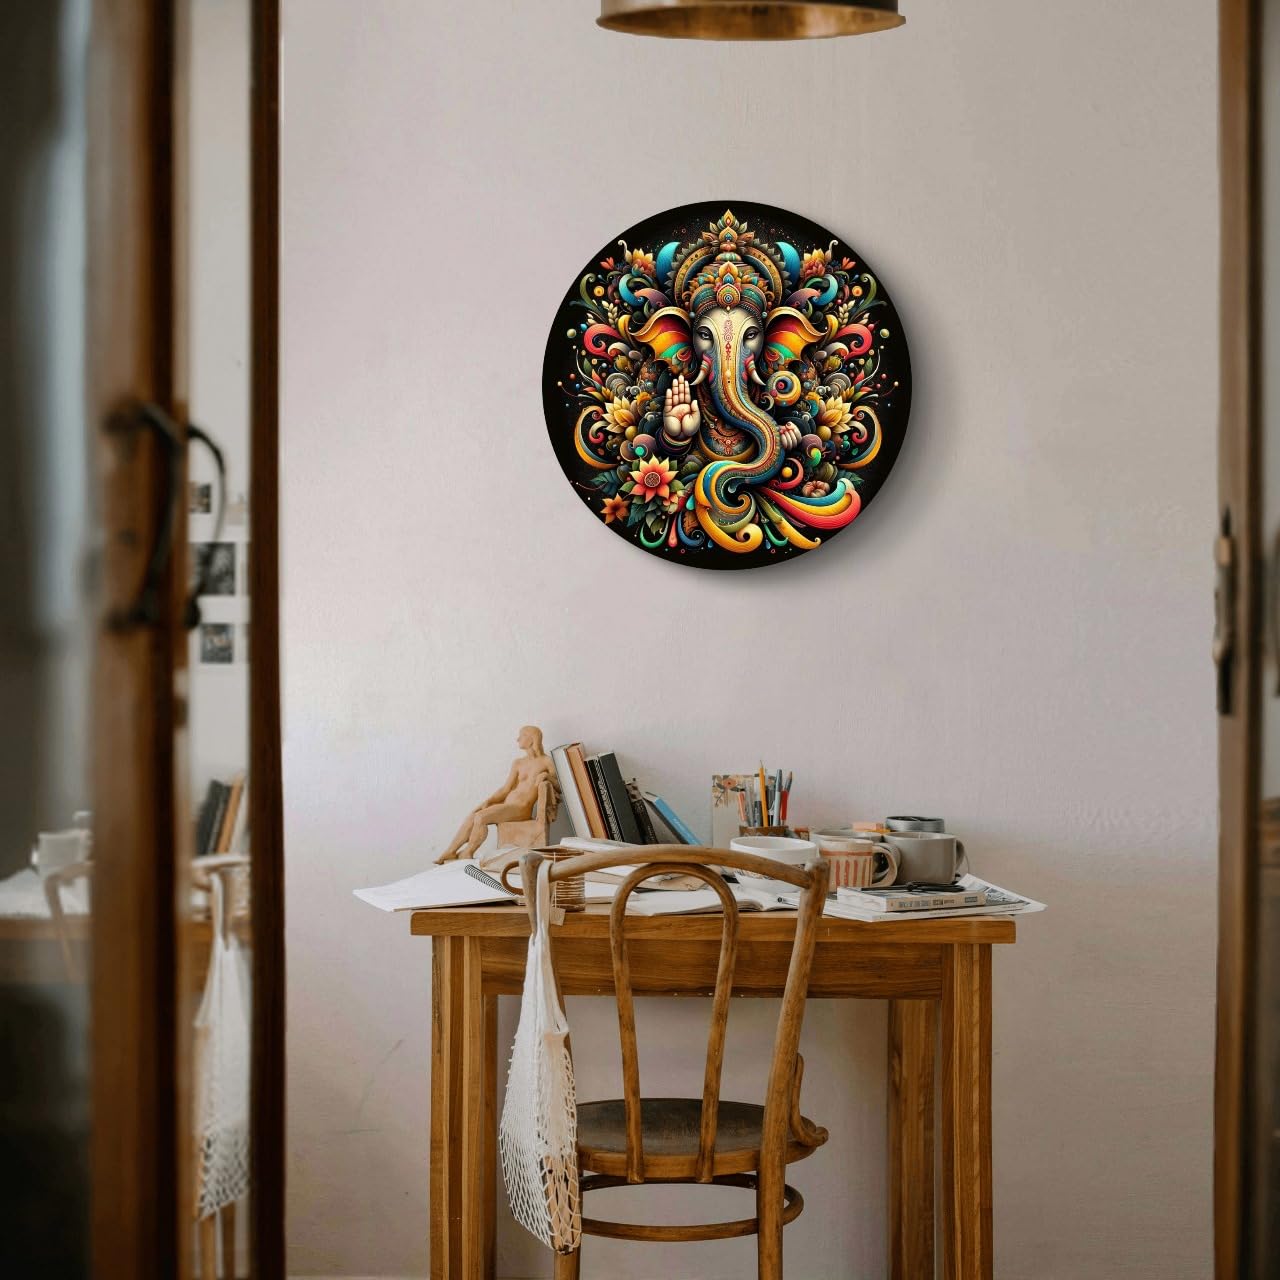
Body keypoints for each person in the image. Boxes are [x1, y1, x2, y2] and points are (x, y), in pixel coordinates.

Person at [436, 725, 556, 861]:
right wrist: (490, 800)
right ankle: (451, 851)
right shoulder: (518, 763)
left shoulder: (546, 761)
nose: (518, 739)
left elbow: (560, 786)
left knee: (480, 817)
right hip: (507, 804)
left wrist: (547, 777)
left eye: (521, 735)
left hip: (521, 808)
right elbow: (505, 789)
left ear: (532, 738)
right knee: (474, 814)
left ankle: (468, 852)